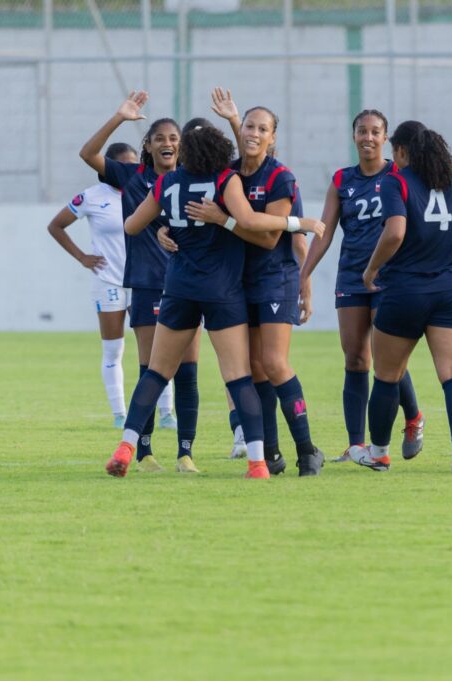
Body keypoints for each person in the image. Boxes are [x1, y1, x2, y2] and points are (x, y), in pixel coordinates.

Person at [103, 124, 324, 479]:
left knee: (157, 372)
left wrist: (163, 226)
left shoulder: (167, 183)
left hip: (178, 289)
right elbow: (250, 221)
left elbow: (130, 226)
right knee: (238, 377)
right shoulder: (226, 180)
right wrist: (300, 222)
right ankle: (256, 463)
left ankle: (126, 447)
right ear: (220, 151)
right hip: (222, 292)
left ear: (186, 153)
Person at [185, 88, 324, 476]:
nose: (254, 133)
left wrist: (305, 284)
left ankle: (307, 450)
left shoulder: (281, 177)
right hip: (235, 282)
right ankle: (271, 453)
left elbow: (268, 237)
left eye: (263, 129)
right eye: (249, 125)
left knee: (275, 364)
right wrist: (165, 233)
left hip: (274, 279)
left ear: (273, 138)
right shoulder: (228, 173)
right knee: (253, 371)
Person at [299, 109, 426, 464]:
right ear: (353, 135)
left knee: (388, 359)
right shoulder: (342, 180)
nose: (368, 137)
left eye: (375, 132)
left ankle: (413, 417)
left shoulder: (399, 175)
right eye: (362, 131)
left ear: (386, 138)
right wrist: (304, 273)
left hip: (391, 279)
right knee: (355, 358)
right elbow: (324, 233)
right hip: (351, 277)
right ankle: (357, 446)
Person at [79, 91, 197, 473]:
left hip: (190, 284)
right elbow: (88, 153)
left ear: (183, 146)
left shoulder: (193, 180)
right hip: (147, 284)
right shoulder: (132, 177)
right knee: (151, 370)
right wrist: (119, 116)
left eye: (174, 138)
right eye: (160, 137)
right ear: (148, 145)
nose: (167, 143)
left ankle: (185, 454)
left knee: (188, 371)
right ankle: (144, 453)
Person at [349, 121, 452, 473]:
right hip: (451, 290)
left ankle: (378, 453)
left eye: (394, 152)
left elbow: (395, 232)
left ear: (403, 151)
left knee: (387, 376)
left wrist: (371, 270)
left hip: (405, 291)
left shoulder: (396, 180)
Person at [49, 143, 170, 429]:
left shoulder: (149, 191)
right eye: (123, 166)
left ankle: (167, 412)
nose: (131, 172)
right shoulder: (91, 197)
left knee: (159, 350)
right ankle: (119, 414)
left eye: (133, 165)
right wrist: (82, 258)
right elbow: (56, 225)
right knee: (114, 349)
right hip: (110, 281)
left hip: (144, 280)